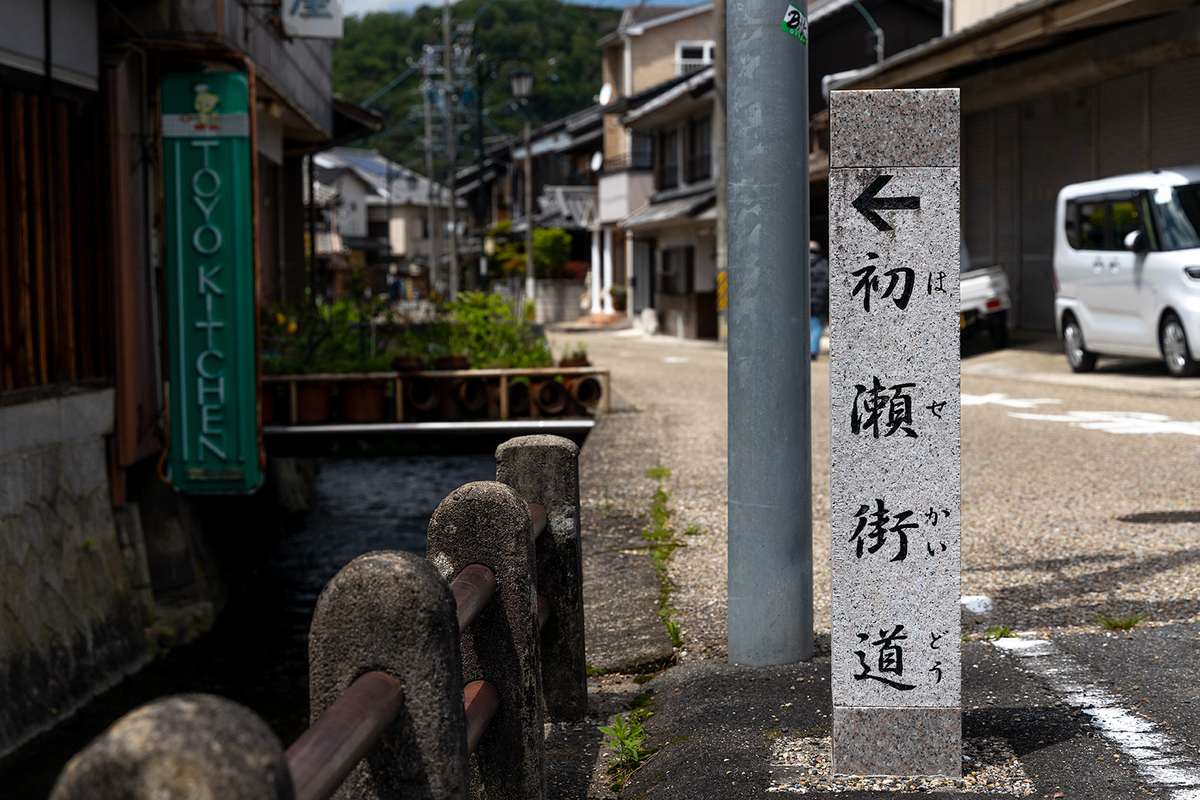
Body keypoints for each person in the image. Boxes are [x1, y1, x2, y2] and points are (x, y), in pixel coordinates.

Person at [809, 240, 829, 360]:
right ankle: (813, 350)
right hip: (819, 301)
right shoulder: (824, 263)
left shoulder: (801, 262)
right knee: (816, 326)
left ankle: (803, 348)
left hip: (804, 302)